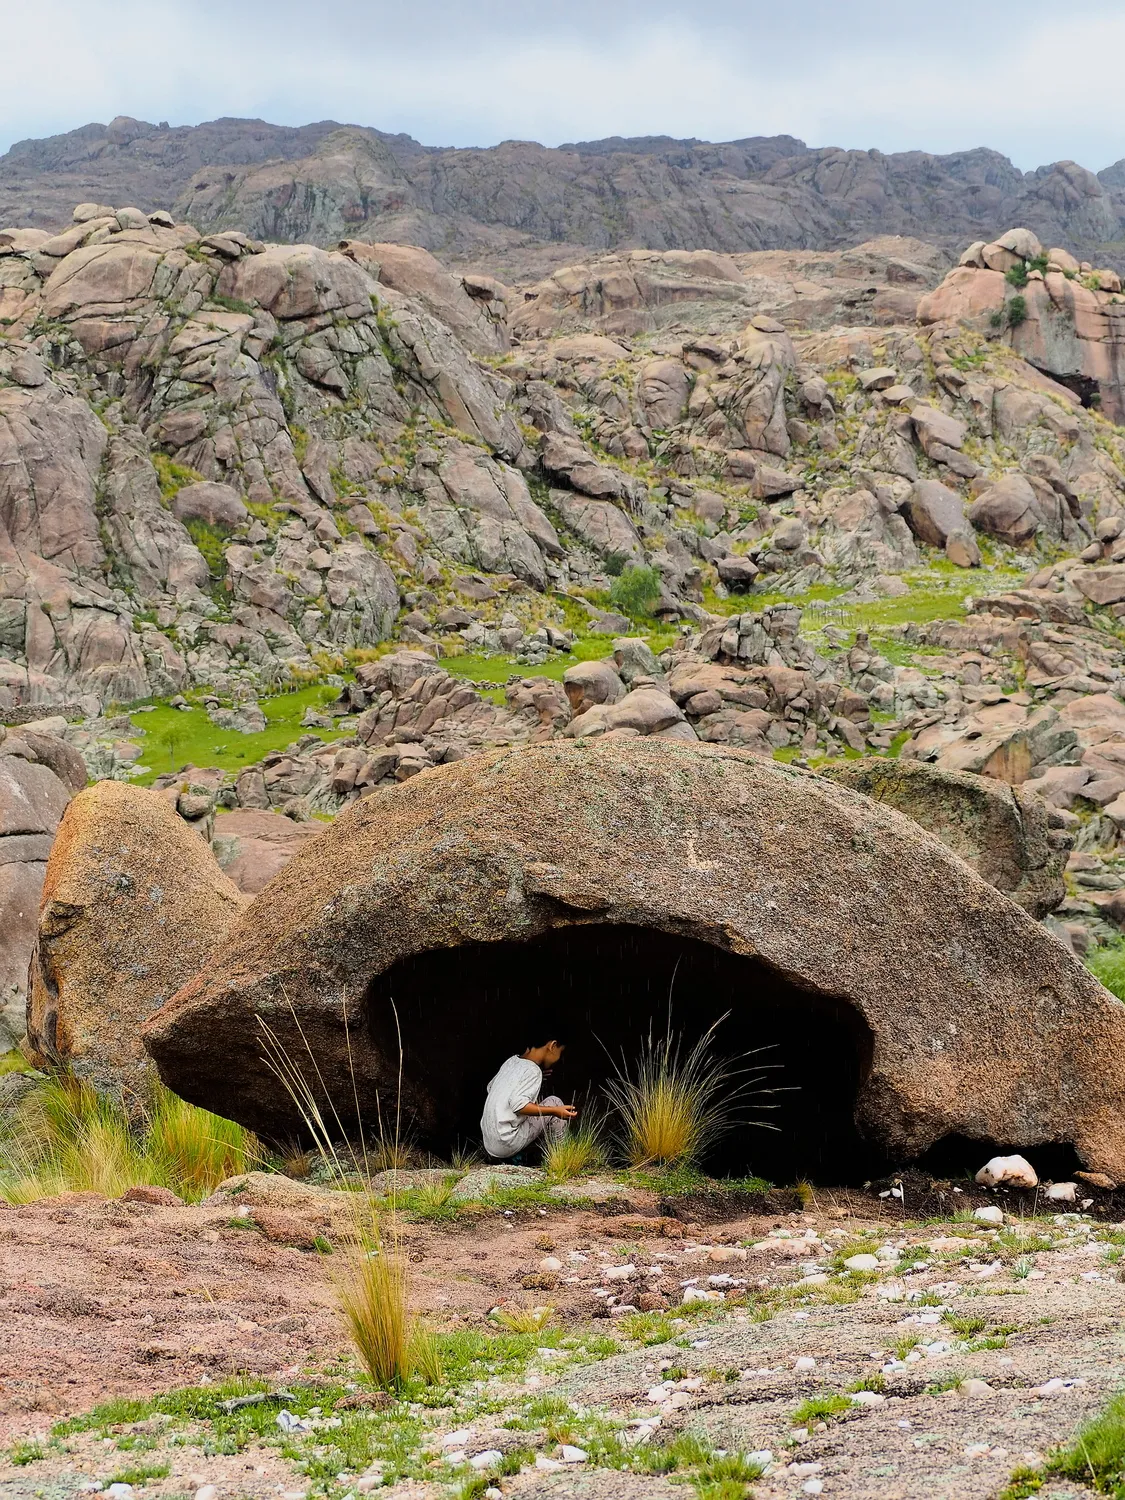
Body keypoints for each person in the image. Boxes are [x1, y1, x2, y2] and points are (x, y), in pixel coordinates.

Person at [481, 1037, 578, 1161]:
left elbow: (490, 1087)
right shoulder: (533, 1070)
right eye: (560, 1052)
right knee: (555, 1102)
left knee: (537, 1106)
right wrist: (555, 1111)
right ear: (552, 1046)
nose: (559, 1059)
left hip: (490, 1143)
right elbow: (519, 1106)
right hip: (506, 1143)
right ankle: (562, 1159)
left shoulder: (511, 1062)